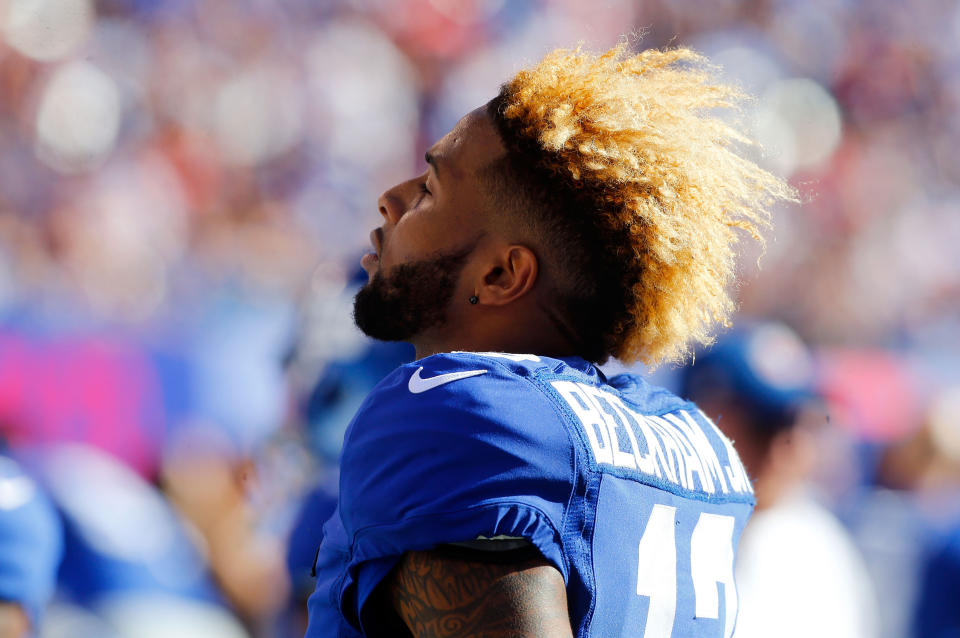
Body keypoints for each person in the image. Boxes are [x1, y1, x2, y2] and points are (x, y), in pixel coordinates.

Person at [304, 43, 796, 638]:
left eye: (431, 189)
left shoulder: (461, 414)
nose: (394, 197)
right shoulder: (690, 437)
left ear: (501, 275)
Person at [680, 322, 878, 638]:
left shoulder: (817, 546)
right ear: (703, 415)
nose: (787, 448)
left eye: (799, 426)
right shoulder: (648, 517)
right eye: (764, 427)